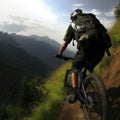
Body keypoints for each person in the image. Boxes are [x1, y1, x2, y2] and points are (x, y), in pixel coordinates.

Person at [56, 9, 106, 103]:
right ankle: (88, 83)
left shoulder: (72, 25)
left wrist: (59, 54)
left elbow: (65, 44)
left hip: (86, 50)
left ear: (73, 17)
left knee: (74, 68)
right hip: (101, 49)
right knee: (87, 66)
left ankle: (75, 93)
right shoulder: (91, 20)